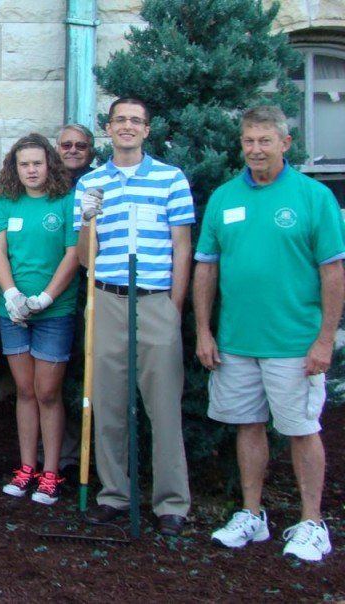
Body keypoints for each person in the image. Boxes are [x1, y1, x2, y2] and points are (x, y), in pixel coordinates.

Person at [196, 106, 344, 562]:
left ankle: (311, 522)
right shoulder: (224, 197)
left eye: (265, 140)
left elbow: (333, 272)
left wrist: (324, 339)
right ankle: (252, 515)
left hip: (293, 344)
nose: (255, 149)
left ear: (285, 143)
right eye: (248, 141)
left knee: (301, 430)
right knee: (248, 426)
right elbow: (206, 267)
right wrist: (203, 330)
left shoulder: (313, 196)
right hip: (237, 341)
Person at [75, 98, 194, 536]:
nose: (127, 127)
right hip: (107, 298)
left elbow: (182, 246)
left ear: (147, 129)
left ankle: (171, 504)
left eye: (136, 121)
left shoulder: (170, 179)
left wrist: (174, 307)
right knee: (106, 403)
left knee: (163, 405)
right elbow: (88, 259)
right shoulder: (91, 182)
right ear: (109, 128)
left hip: (155, 299)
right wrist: (88, 217)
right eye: (120, 120)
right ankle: (114, 495)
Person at [0, 134, 79, 505]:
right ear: (15, 167)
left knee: (47, 392)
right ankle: (27, 467)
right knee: (24, 392)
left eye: (37, 163)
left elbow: (74, 253)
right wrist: (12, 295)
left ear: (49, 164)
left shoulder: (65, 202)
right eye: (24, 164)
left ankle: (51, 471)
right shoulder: (5, 202)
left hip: (54, 310)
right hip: (13, 311)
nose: (31, 170)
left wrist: (46, 297)